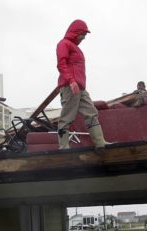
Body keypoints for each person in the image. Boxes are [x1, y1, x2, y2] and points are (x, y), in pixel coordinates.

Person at [56, 19, 109, 149]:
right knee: (67, 116)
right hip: (70, 86)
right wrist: (71, 80)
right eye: (83, 34)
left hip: (80, 87)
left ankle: (100, 143)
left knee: (91, 112)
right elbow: (61, 64)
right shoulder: (63, 44)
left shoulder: (76, 48)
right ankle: (63, 147)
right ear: (75, 32)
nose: (84, 38)